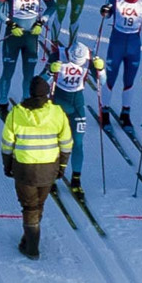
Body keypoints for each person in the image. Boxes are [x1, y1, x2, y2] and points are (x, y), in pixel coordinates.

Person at [1, 75, 72, 258]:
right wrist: (62, 165)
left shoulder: (16, 113)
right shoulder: (58, 113)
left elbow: (7, 144)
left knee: (29, 206)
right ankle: (29, 238)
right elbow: (66, 143)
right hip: (48, 168)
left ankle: (32, 247)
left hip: (25, 169)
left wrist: (7, 165)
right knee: (39, 204)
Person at [46, 39, 102, 195]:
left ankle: (76, 178)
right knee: (55, 141)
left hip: (77, 102)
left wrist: (101, 69)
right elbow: (42, 81)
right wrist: (51, 71)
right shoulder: (58, 54)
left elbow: (102, 81)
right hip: (59, 102)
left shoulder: (89, 56)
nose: (76, 64)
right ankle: (51, 177)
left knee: (78, 142)